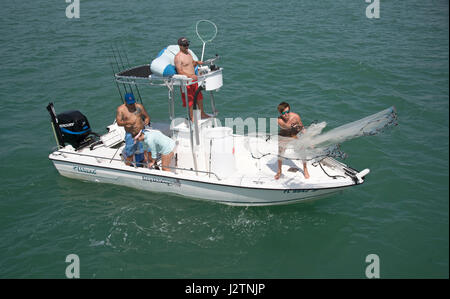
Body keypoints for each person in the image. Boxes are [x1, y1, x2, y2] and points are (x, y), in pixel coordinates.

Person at [174, 37, 209, 120]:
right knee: (190, 99)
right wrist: (190, 76)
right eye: (184, 45)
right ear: (179, 46)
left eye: (187, 44)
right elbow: (179, 71)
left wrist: (197, 62)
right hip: (186, 81)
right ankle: (192, 117)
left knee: (199, 96)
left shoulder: (188, 53)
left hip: (194, 80)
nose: (186, 46)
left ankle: (202, 113)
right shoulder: (178, 57)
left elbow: (192, 63)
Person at [275, 102, 310, 180]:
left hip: (295, 132)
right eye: (284, 113)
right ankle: (279, 171)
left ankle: (305, 169)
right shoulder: (279, 120)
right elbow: (288, 127)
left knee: (302, 150)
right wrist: (295, 128)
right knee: (280, 153)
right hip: (284, 134)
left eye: (288, 112)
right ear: (280, 113)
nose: (286, 114)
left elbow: (301, 127)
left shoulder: (296, 116)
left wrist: (307, 137)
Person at [115, 92, 151, 166]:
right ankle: (127, 167)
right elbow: (118, 122)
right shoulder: (121, 109)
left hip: (141, 132)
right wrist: (127, 122)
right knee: (130, 154)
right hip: (130, 135)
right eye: (129, 104)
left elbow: (147, 116)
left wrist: (147, 120)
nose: (131, 105)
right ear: (125, 102)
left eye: (132, 103)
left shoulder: (139, 107)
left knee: (148, 150)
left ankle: (151, 165)